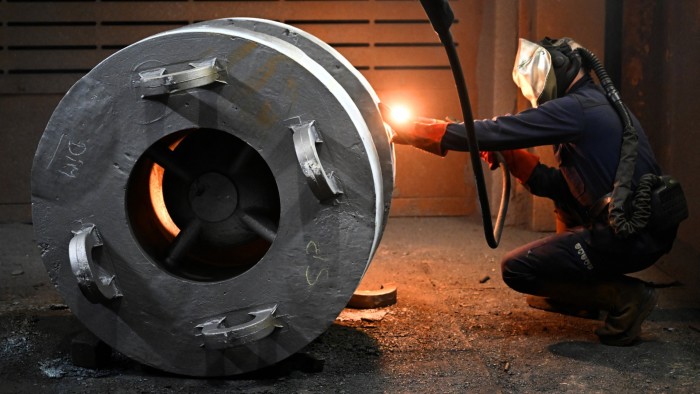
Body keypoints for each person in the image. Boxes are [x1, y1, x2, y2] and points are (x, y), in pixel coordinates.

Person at [381, 37, 678, 346]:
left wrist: (419, 129)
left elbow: (497, 129)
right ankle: (581, 297)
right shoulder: (591, 103)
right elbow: (563, 186)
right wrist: (513, 158)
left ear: (558, 67)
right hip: (640, 226)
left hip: (633, 235)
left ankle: (627, 297)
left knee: (518, 269)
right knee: (563, 199)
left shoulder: (576, 108)